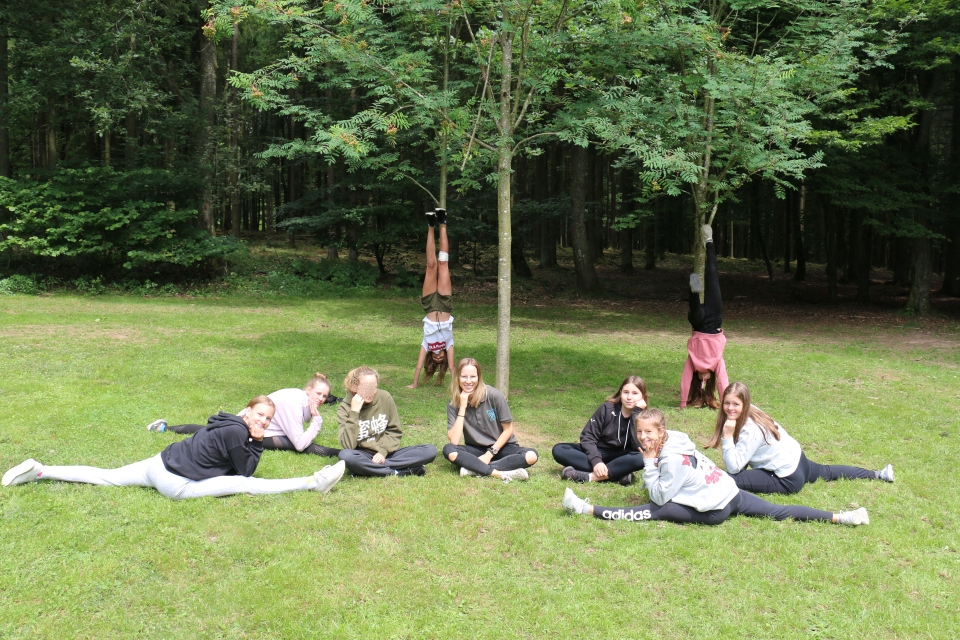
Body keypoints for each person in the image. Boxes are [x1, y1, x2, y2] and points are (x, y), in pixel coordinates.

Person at [562, 408, 870, 526]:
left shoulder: (669, 457)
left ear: (661, 431)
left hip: (715, 508)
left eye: (649, 432)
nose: (643, 437)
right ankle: (843, 517)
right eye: (640, 432)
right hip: (728, 489)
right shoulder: (677, 438)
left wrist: (649, 463)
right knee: (777, 512)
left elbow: (658, 495)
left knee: (655, 510)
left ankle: (587, 509)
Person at [3, 396, 346, 500]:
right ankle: (312, 483)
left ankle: (41, 471)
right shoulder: (237, 433)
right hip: (176, 484)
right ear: (246, 412)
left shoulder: (226, 422)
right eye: (259, 416)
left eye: (268, 419)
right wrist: (256, 442)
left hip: (158, 463)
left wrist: (252, 437)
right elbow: (246, 470)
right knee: (247, 484)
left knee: (107, 477)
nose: (264, 422)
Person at [705, 381, 894, 494]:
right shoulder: (752, 410)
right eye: (727, 403)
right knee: (828, 471)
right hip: (798, 460)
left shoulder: (750, 429)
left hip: (786, 478)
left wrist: (727, 437)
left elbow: (734, 468)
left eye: (735, 404)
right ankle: (878, 474)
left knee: (727, 479)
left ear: (745, 404)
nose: (730, 408)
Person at [146, 374, 342, 458]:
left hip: (260, 429)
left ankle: (341, 454)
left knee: (292, 443)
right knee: (208, 430)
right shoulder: (295, 402)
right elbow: (300, 444)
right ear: (308, 390)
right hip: (244, 427)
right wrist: (317, 421)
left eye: (325, 396)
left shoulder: (300, 399)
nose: (321, 399)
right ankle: (164, 427)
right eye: (318, 394)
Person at [443, 358, 537, 482]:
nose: (468, 381)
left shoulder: (494, 395)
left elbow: (508, 430)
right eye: (464, 377)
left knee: (531, 455)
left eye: (473, 377)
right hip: (476, 449)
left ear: (479, 377)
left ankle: (474, 468)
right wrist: (462, 407)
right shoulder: (453, 404)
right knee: (449, 450)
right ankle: (498, 473)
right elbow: (454, 441)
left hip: (502, 447)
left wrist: (489, 454)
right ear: (457, 378)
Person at [338, 366, 437, 477]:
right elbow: (348, 446)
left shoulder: (385, 397)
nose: (371, 392)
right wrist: (354, 413)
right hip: (363, 455)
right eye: (367, 387)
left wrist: (382, 452)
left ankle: (368, 470)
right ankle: (397, 472)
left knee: (430, 450)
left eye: (374, 387)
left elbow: (394, 432)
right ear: (354, 387)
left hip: (387, 453)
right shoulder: (344, 408)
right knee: (346, 456)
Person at [552, 376, 648, 485]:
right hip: (598, 452)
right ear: (620, 393)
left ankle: (588, 477)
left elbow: (639, 447)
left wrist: (635, 414)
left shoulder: (644, 417)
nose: (629, 397)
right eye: (626, 392)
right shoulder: (607, 408)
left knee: (642, 457)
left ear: (643, 397)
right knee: (559, 449)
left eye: (635, 393)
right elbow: (588, 437)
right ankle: (618, 473)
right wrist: (596, 462)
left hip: (622, 457)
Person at [681, 224, 729, 409]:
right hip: (715, 320)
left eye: (699, 378)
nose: (702, 377)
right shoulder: (717, 364)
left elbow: (685, 379)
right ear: (710, 379)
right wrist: (725, 404)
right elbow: (723, 382)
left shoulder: (693, 364)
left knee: (695, 300)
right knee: (712, 276)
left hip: (699, 324)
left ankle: (695, 279)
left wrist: (683, 403)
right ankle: (709, 242)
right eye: (705, 379)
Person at [408, 207, 455, 388]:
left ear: (431, 357)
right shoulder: (449, 344)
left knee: (430, 265)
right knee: (442, 264)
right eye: (440, 358)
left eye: (435, 358)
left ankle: (430, 225)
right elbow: (452, 367)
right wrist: (457, 387)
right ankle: (442, 222)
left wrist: (414, 384)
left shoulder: (426, 344)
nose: (438, 357)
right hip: (444, 304)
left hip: (429, 305)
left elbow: (418, 365)